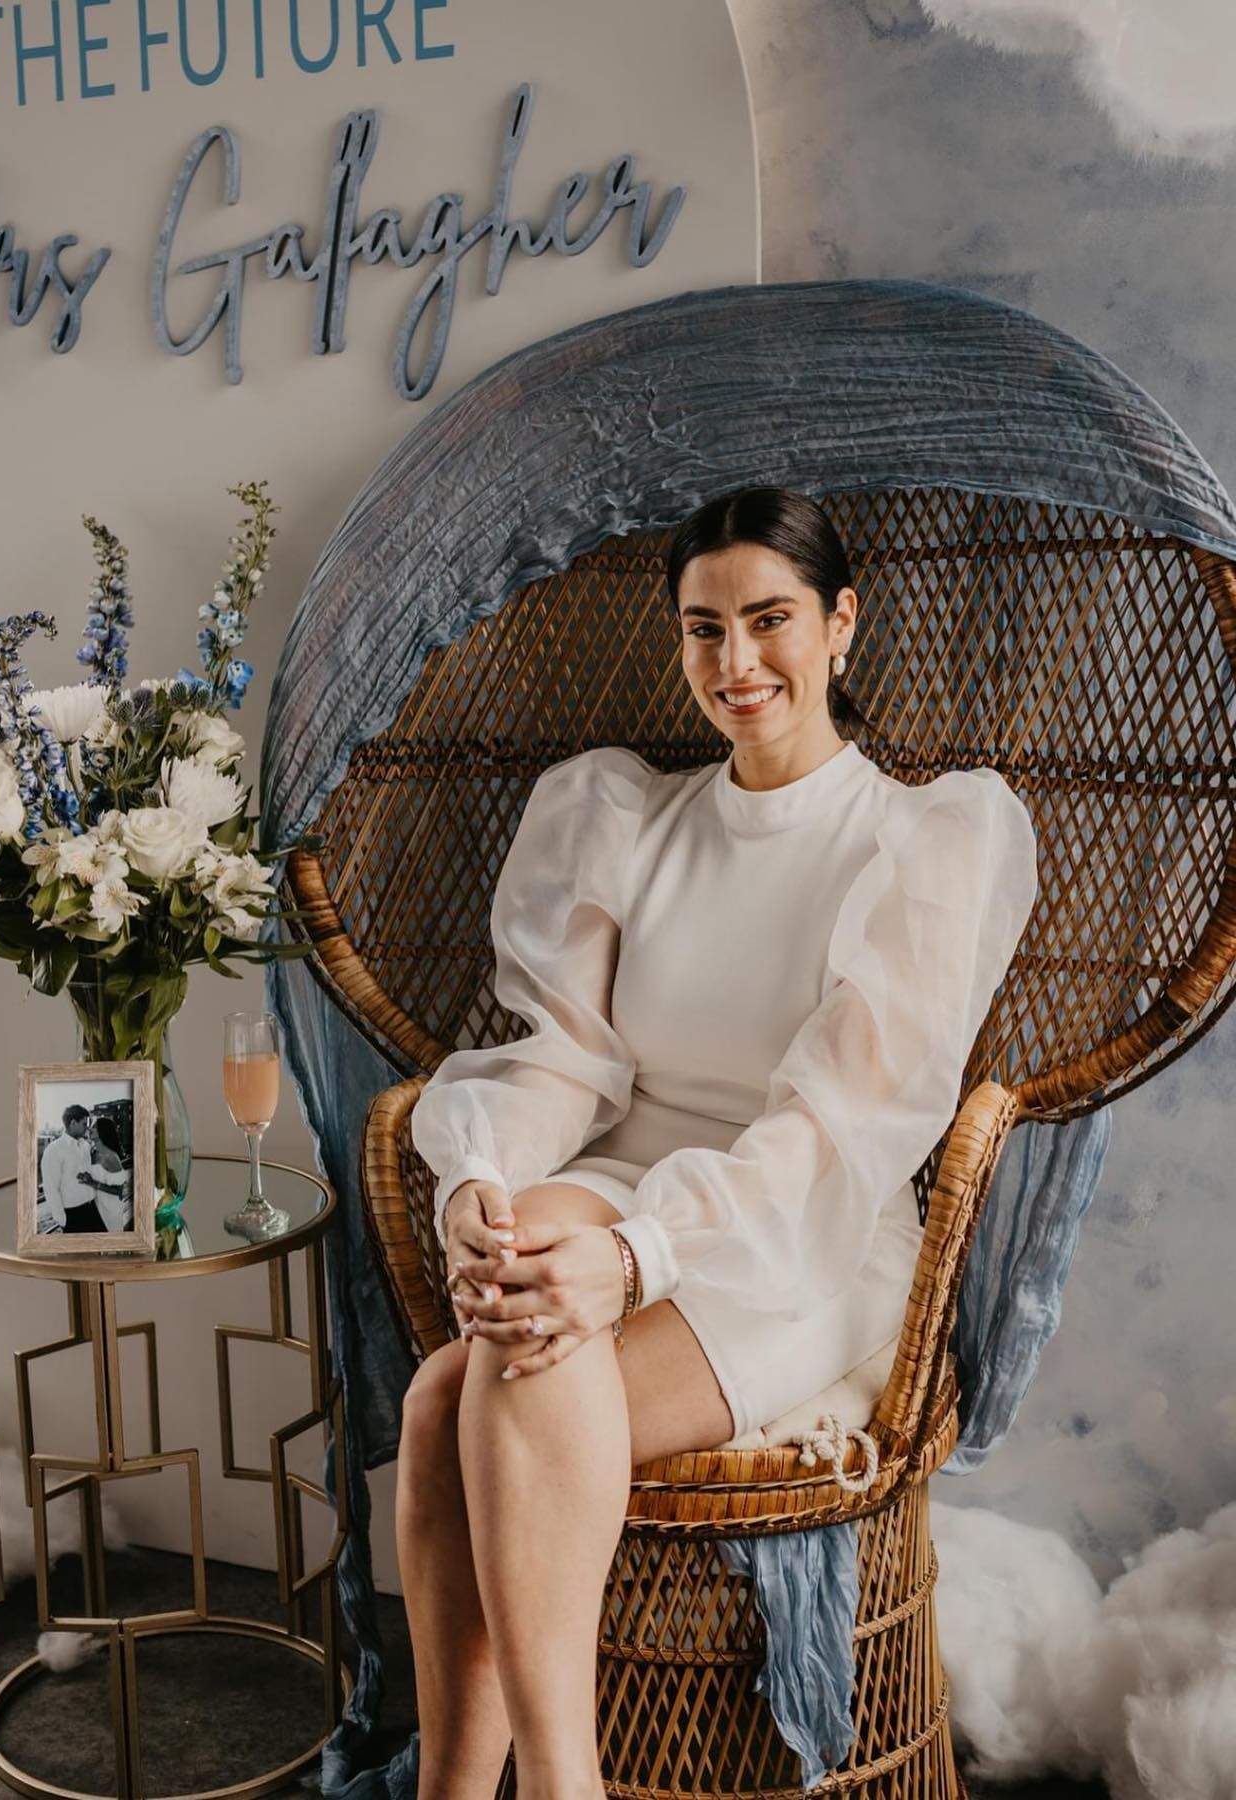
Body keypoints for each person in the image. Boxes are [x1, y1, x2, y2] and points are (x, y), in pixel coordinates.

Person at [401, 486, 1041, 1800]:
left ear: (840, 623)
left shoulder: (920, 838)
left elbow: (826, 1137)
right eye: (705, 628)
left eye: (770, 621)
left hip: (805, 1231)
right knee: (439, 1396)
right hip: (630, 1183)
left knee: (493, 1376)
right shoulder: (630, 817)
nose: (735, 664)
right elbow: (570, 1056)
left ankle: (558, 1790)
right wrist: (480, 1180)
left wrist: (631, 1259)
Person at [38, 1104, 104, 1233]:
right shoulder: (54, 1150)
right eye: (84, 1124)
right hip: (73, 1215)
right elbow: (51, 1188)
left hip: (93, 1209)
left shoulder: (85, 1146)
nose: (87, 1128)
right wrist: (63, 1220)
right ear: (73, 1123)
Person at [82, 1114, 134, 1232]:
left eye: (94, 1127)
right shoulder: (92, 1152)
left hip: (109, 1210)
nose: (90, 1129)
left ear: (102, 1131)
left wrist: (93, 1183)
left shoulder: (111, 1157)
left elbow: (120, 1191)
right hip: (95, 1208)